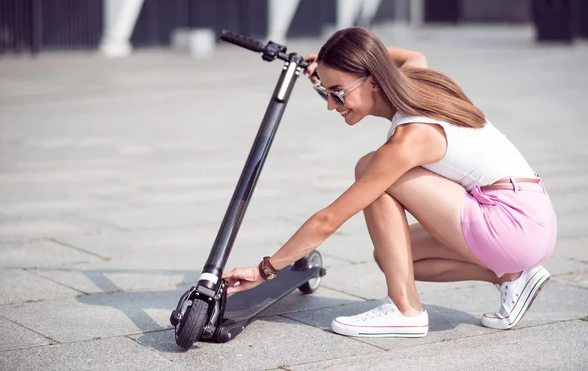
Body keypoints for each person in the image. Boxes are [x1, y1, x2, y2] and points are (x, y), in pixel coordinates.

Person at [222, 27, 557, 338]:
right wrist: (332, 65)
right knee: (392, 258)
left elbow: (329, 219)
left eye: (338, 93)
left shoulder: (411, 137)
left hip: (511, 224)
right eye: (324, 91)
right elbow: (409, 57)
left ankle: (405, 310)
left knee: (372, 170)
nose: (329, 105)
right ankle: (510, 276)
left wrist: (264, 270)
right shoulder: (421, 82)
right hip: (530, 216)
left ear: (374, 81)